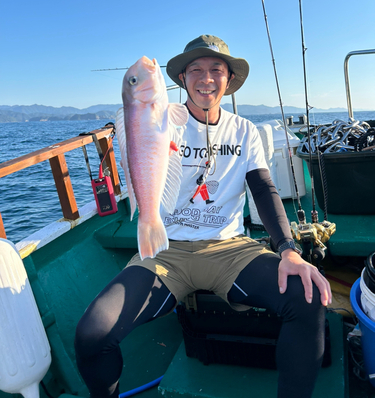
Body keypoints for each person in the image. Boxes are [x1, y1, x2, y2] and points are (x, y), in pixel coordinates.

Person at [75, 35, 332, 398]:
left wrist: (288, 249)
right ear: (180, 79)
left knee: (306, 300)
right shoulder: (162, 119)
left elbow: (264, 190)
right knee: (92, 334)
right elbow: (137, 141)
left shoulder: (245, 131)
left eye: (216, 70)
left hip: (230, 250)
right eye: (195, 69)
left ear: (229, 80)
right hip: (166, 251)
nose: (206, 78)